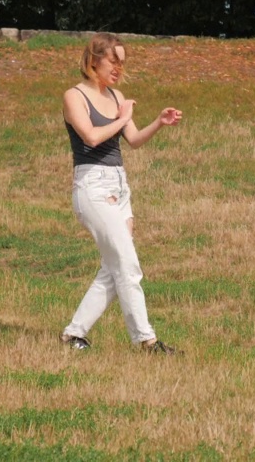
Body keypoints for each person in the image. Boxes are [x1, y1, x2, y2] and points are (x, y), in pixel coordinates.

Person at [60, 32, 183, 354]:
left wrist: (157, 122)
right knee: (127, 265)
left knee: (113, 267)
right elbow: (90, 137)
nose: (118, 69)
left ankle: (75, 333)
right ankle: (147, 341)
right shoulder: (74, 96)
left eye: (122, 63)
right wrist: (123, 118)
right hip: (92, 187)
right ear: (93, 60)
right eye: (113, 61)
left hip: (119, 186)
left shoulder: (117, 97)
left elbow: (134, 139)